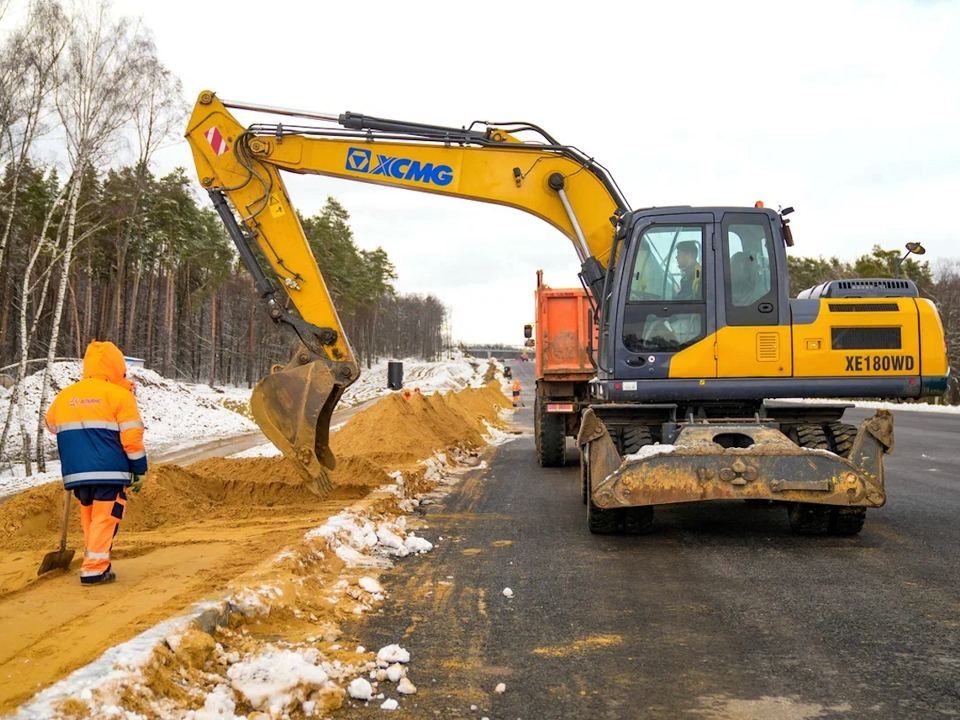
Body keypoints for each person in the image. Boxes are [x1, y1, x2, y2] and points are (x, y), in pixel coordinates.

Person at [45, 341, 147, 585]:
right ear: (117, 367)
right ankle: (94, 569)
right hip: (109, 470)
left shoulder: (65, 395)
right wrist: (139, 469)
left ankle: (94, 560)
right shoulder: (120, 396)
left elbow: (51, 424)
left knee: (90, 516)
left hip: (76, 473)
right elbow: (131, 437)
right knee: (106, 516)